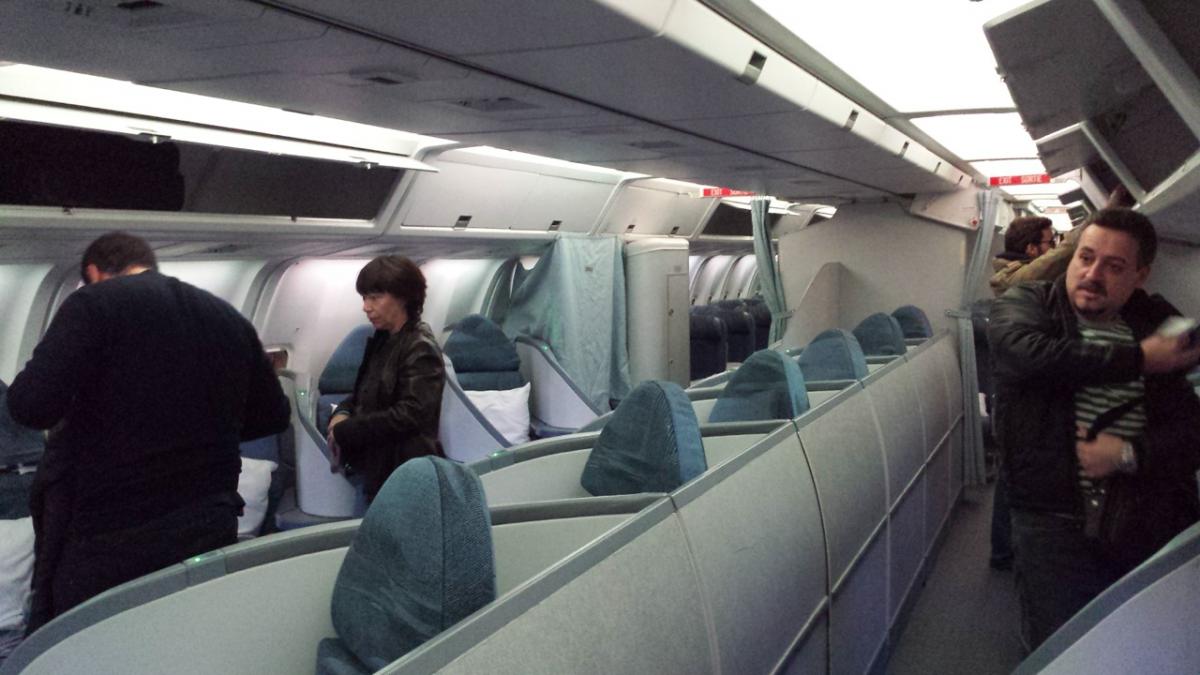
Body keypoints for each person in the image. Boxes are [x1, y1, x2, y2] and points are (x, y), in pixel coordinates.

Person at [6, 232, 290, 632]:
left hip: (113, 532)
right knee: (184, 637)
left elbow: (30, 406)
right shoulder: (225, 315)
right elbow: (273, 415)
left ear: (93, 273)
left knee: (95, 645)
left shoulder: (94, 304)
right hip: (207, 523)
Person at [988, 208, 1200, 649]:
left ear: (1140, 276)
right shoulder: (1029, 304)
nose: (1092, 274)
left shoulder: (1153, 323)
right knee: (1060, 647)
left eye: (1114, 266)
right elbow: (1030, 357)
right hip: (1052, 519)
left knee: (1138, 647)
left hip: (1143, 515)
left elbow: (1191, 431)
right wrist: (1141, 359)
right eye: (1085, 258)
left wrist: (1126, 454)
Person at [326, 256, 445, 504]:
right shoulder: (383, 340)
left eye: (374, 298)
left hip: (405, 472)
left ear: (403, 297)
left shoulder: (420, 346)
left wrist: (345, 431)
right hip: (377, 466)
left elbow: (410, 414)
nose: (366, 307)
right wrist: (342, 413)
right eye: (364, 298)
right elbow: (364, 392)